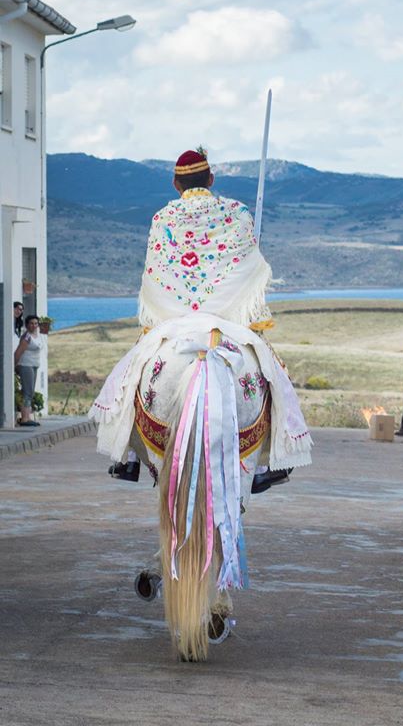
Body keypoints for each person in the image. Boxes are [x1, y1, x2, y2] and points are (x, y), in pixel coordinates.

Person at [93, 148, 311, 487]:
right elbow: (249, 267)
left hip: (173, 317)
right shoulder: (236, 213)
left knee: (136, 369)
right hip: (227, 317)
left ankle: (129, 456)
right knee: (272, 371)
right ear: (210, 179)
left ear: (175, 184)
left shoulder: (162, 218)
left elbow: (155, 278)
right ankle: (273, 459)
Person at [14, 315, 42, 427]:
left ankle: (27, 416)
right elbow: (18, 352)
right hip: (26, 365)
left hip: (34, 365)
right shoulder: (26, 337)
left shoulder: (37, 335)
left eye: (36, 323)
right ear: (27, 325)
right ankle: (25, 418)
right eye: (31, 323)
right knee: (27, 391)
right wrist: (14, 366)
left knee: (30, 391)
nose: (34, 325)